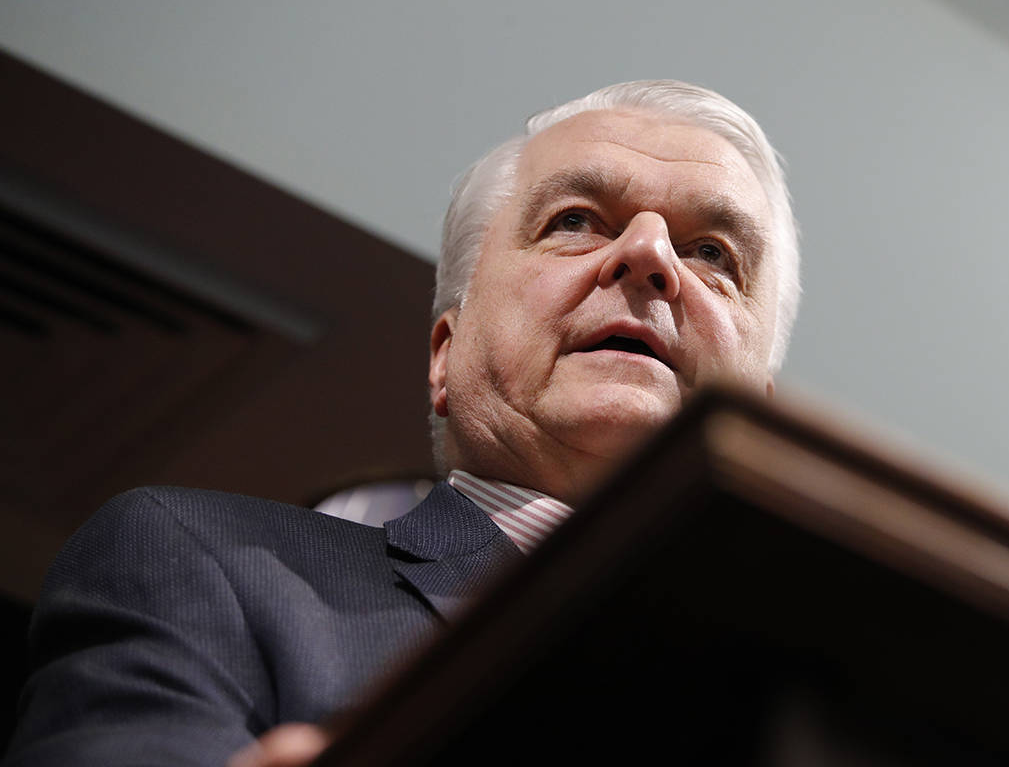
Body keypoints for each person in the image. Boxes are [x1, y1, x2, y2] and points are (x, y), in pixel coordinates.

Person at [4, 79, 801, 767]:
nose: (649, 254)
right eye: (575, 221)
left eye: (713, 253)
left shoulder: (844, 697)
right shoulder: (197, 561)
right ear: (444, 356)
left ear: (759, 414)